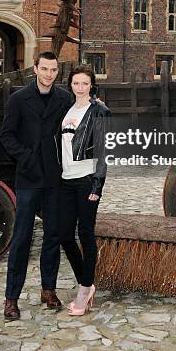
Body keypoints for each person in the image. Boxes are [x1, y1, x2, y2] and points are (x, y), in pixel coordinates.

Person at [0, 51, 73, 321]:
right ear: (35, 69)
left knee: (53, 236)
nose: (49, 75)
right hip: (29, 178)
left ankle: (48, 289)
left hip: (55, 179)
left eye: (54, 70)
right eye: (44, 69)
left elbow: (75, 128)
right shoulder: (19, 99)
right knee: (21, 239)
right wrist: (27, 157)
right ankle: (11, 299)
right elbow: (7, 136)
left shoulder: (64, 99)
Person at [59, 64, 110, 316]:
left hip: (86, 180)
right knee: (64, 235)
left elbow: (102, 151)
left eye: (85, 84)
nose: (80, 88)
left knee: (85, 233)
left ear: (92, 86)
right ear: (70, 84)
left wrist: (97, 185)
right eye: (76, 83)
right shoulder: (67, 109)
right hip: (66, 180)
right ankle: (86, 282)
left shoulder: (97, 111)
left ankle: (84, 289)